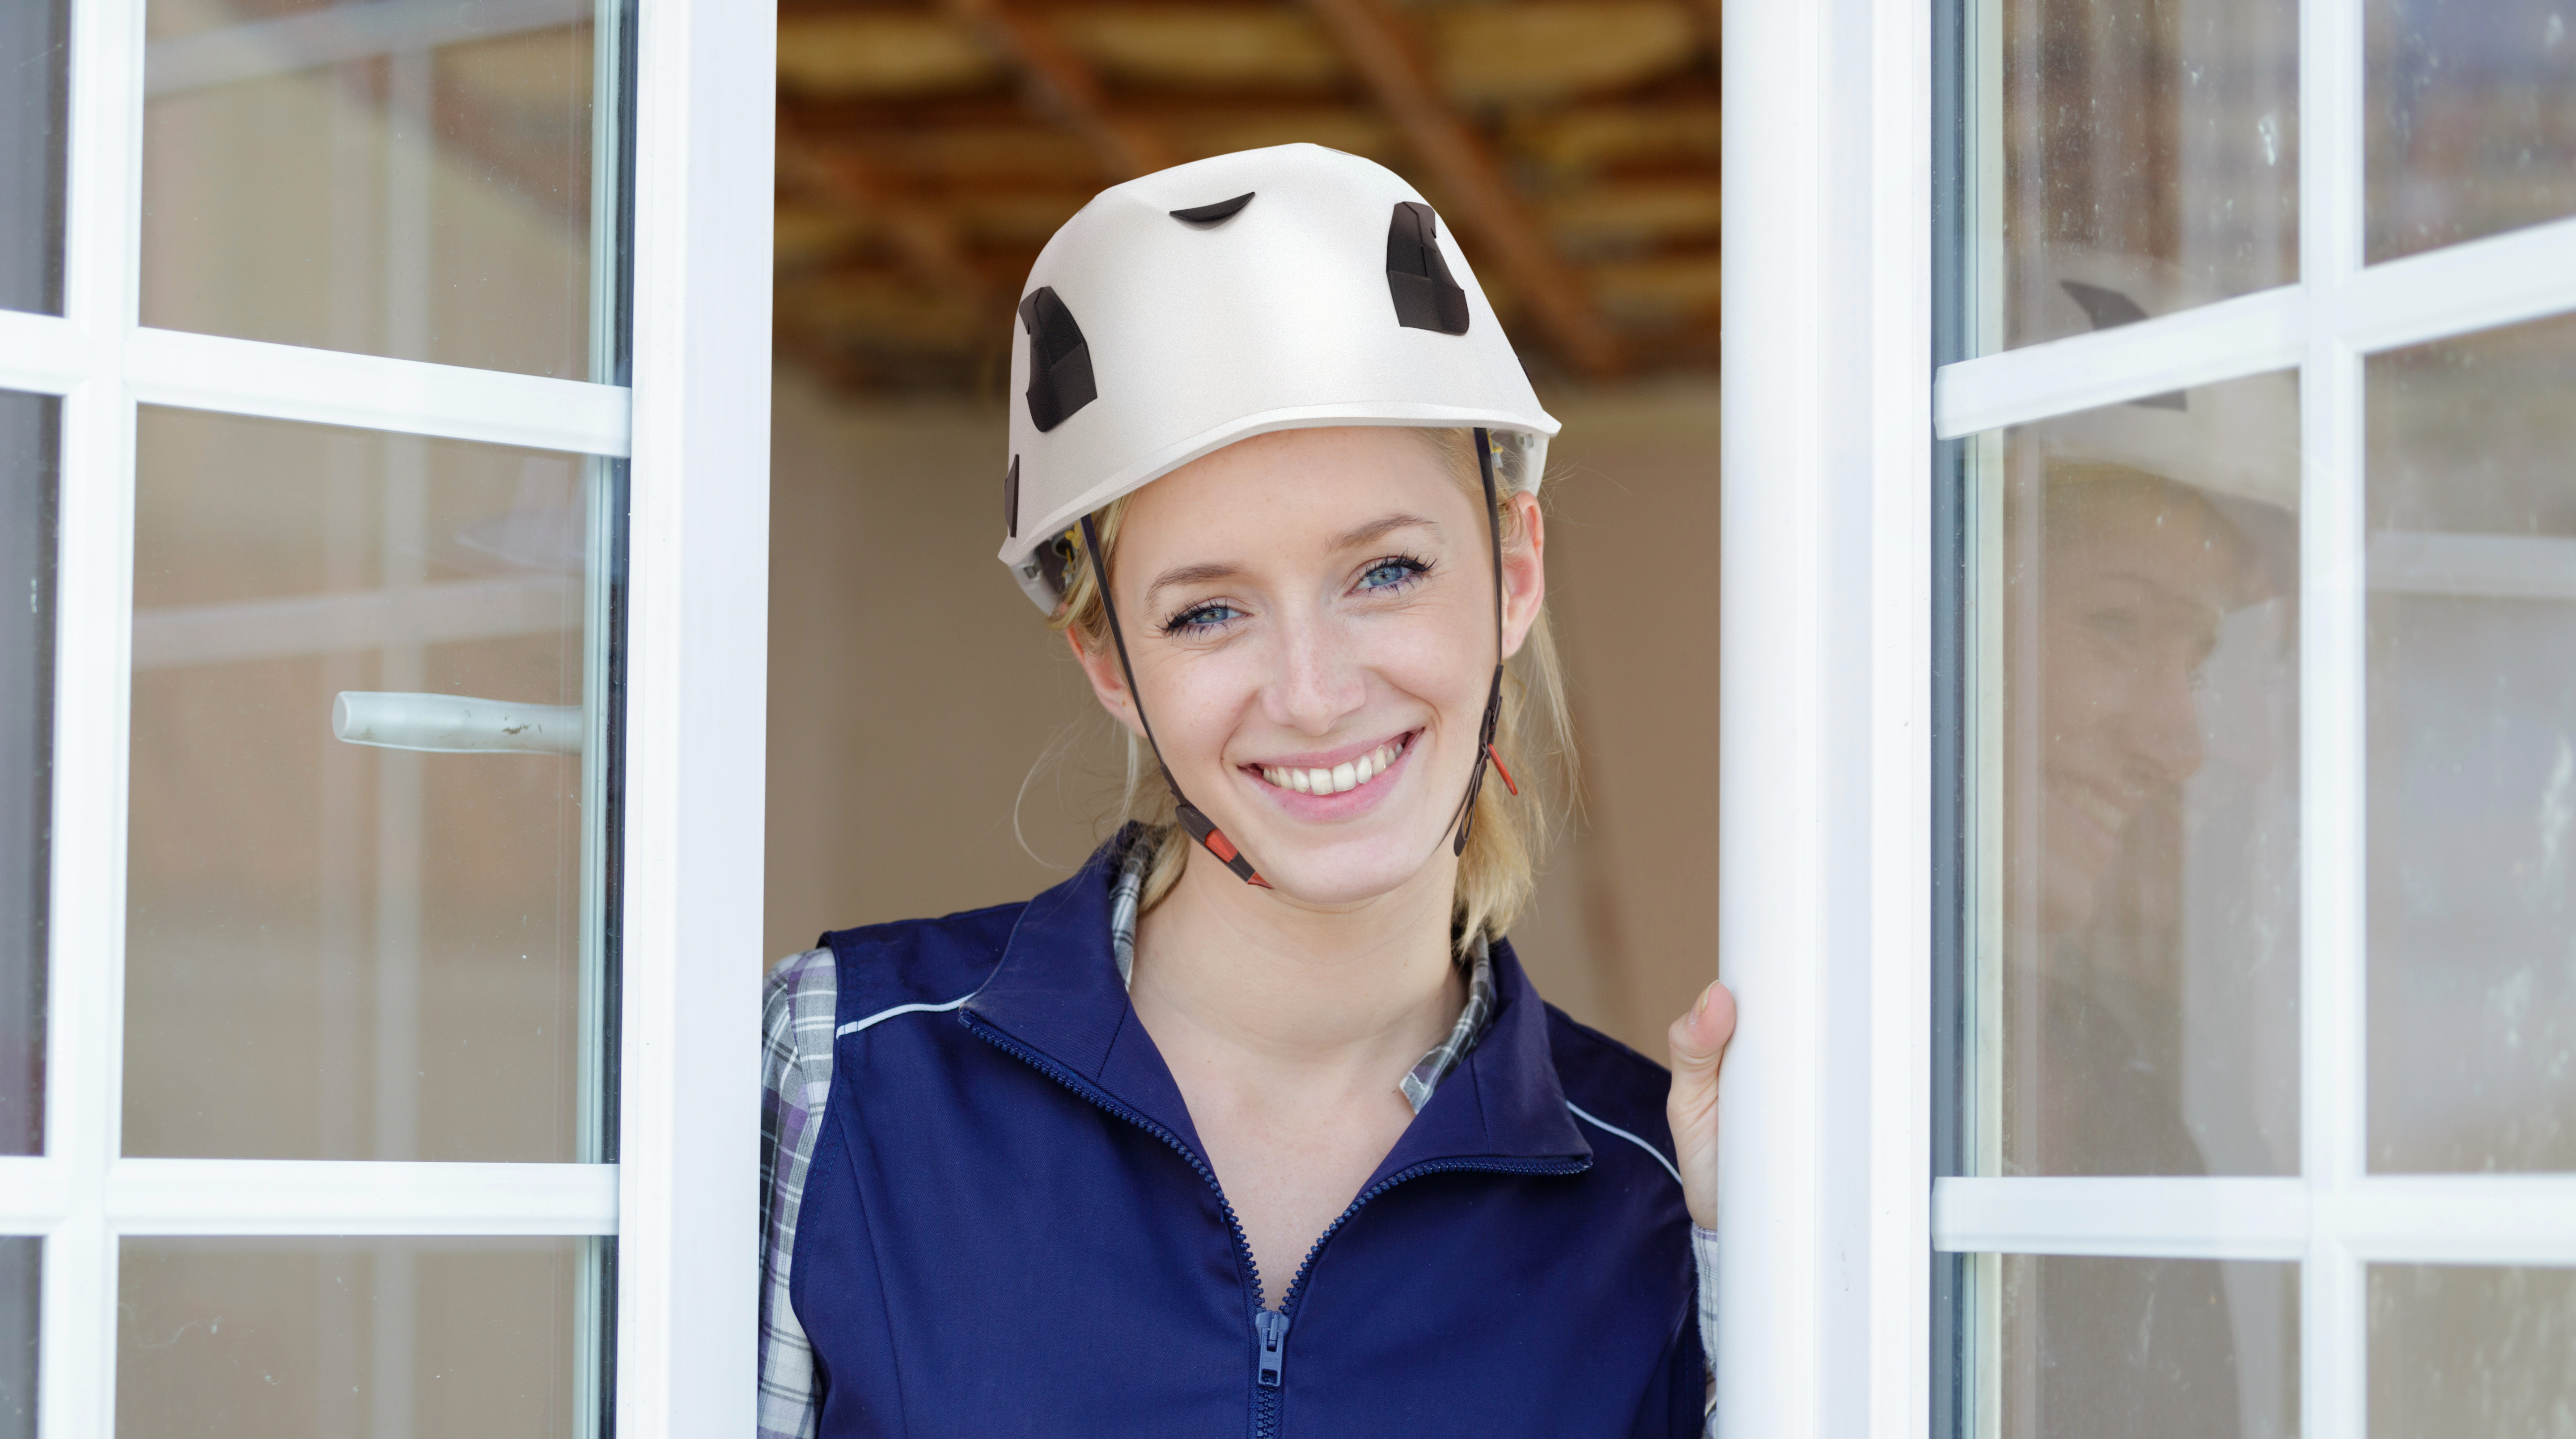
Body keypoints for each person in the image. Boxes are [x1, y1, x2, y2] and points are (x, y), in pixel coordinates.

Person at [757, 144, 1736, 1438]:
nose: (1315, 691)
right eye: (1209, 610)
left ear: (1512, 569)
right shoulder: (845, 1072)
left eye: (1385, 572)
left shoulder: (1665, 1193)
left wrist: (1767, 1282)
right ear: (1106, 654)